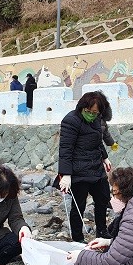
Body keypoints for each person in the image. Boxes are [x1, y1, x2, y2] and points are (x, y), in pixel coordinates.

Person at [57, 91, 112, 242]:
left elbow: (97, 139)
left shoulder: (96, 118)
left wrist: (105, 157)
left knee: (103, 198)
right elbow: (65, 149)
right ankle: (78, 238)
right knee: (78, 205)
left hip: (96, 167)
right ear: (82, 107)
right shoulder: (70, 120)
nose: (92, 115)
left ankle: (102, 231)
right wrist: (66, 174)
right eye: (89, 111)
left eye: (95, 112)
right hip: (78, 169)